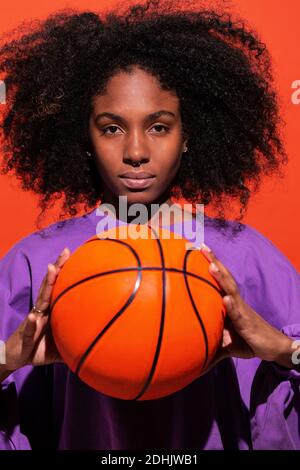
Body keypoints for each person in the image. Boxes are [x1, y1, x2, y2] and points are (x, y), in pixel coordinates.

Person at [0, 0, 299, 450]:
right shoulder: (36, 260)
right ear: (84, 136)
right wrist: (7, 359)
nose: (136, 151)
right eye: (112, 128)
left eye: (159, 127)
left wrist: (279, 349)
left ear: (187, 136)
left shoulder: (245, 254)